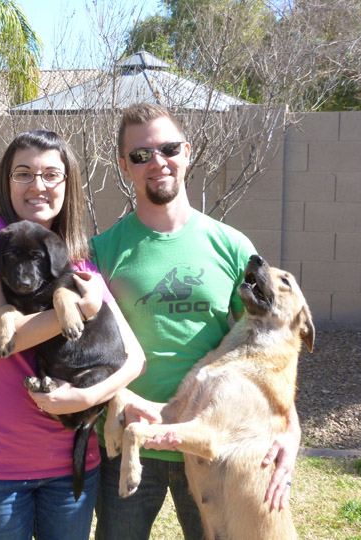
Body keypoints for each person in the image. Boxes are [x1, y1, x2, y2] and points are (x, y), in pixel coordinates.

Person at [90, 103, 301, 540]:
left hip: (216, 445)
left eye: (167, 148)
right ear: (123, 165)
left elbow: (269, 347)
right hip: (135, 439)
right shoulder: (104, 250)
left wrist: (290, 433)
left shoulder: (231, 245)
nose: (157, 162)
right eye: (140, 154)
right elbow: (92, 344)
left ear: (187, 152)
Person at [0, 129, 146, 540]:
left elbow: (135, 357)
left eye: (50, 175)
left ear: (67, 184)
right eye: (23, 173)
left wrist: (86, 397)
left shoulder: (79, 264)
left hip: (71, 460)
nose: (37, 185)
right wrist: (81, 308)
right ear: (7, 181)